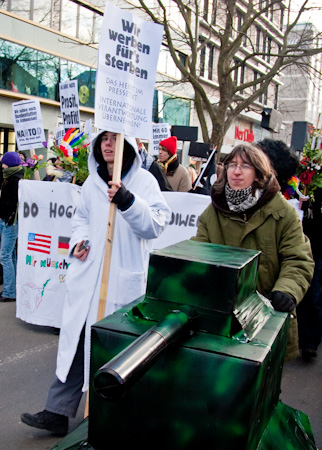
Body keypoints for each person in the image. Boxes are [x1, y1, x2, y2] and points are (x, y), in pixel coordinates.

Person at [21, 131, 171, 436]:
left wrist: (128, 201)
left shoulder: (144, 182)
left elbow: (156, 225)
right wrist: (79, 241)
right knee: (75, 342)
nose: (107, 144)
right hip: (88, 279)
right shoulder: (92, 183)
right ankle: (57, 411)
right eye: (103, 139)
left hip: (120, 283)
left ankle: (106, 418)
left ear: (128, 144)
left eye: (114, 139)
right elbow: (80, 220)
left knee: (113, 352)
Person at [191, 143, 314, 361]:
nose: (236, 171)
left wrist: (286, 290)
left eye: (245, 166)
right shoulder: (212, 212)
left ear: (258, 173)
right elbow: (198, 253)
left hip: (267, 319)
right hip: (222, 318)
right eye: (232, 165)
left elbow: (298, 259)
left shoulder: (283, 212)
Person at [297, 187, 322, 359]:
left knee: (313, 296)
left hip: (318, 249)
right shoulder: (298, 184)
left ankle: (310, 342)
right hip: (297, 246)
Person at [0, 151, 24, 302]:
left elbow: (14, 203)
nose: (2, 166)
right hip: (7, 220)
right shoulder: (9, 177)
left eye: (4, 163)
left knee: (5, 256)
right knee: (11, 255)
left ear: (9, 164)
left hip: (10, 221)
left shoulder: (16, 180)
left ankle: (9, 292)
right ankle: (12, 288)